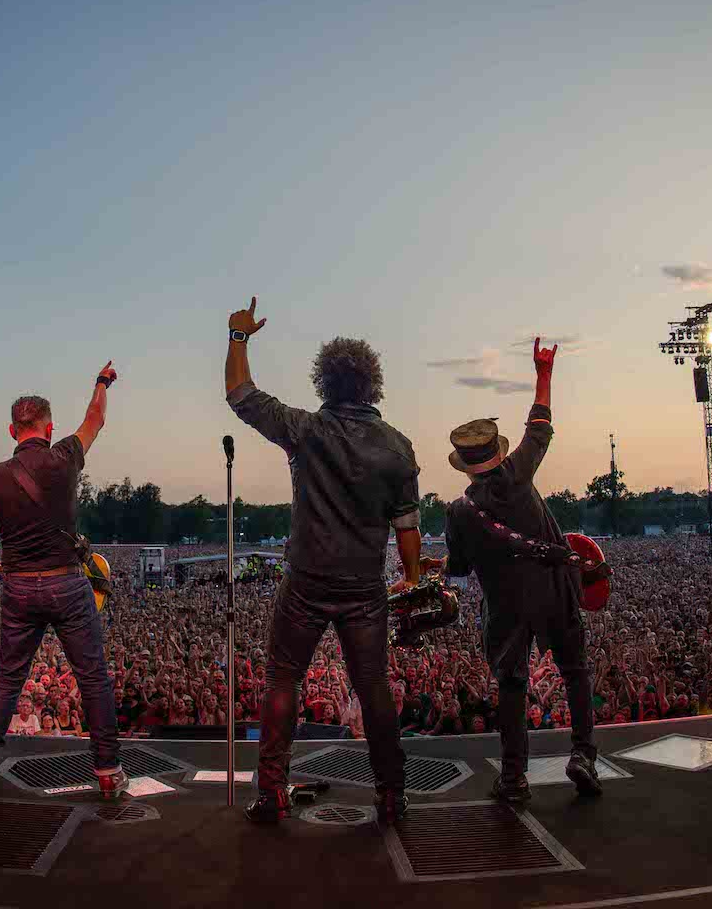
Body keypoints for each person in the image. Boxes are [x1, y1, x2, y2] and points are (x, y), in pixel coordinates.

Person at [225, 297, 421, 825]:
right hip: (364, 585)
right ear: (371, 384)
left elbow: (241, 396)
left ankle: (272, 791)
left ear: (325, 382)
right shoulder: (399, 449)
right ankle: (391, 793)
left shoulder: (306, 430)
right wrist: (413, 579)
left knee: (282, 680)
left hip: (306, 580)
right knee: (373, 684)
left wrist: (239, 338)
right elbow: (408, 529)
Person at [0, 370, 127, 797]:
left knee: (7, 678)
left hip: (19, 588)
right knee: (92, 677)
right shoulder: (64, 457)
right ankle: (108, 772)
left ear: (11, 430)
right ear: (49, 427)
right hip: (66, 584)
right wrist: (101, 382)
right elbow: (95, 419)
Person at [445, 338, 602, 801]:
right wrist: (544, 373)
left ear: (467, 468)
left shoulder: (459, 512)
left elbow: (458, 569)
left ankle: (513, 778)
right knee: (575, 672)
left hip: (507, 607)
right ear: (497, 452)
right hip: (556, 590)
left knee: (511, 686)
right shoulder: (518, 473)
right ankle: (583, 755)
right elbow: (540, 425)